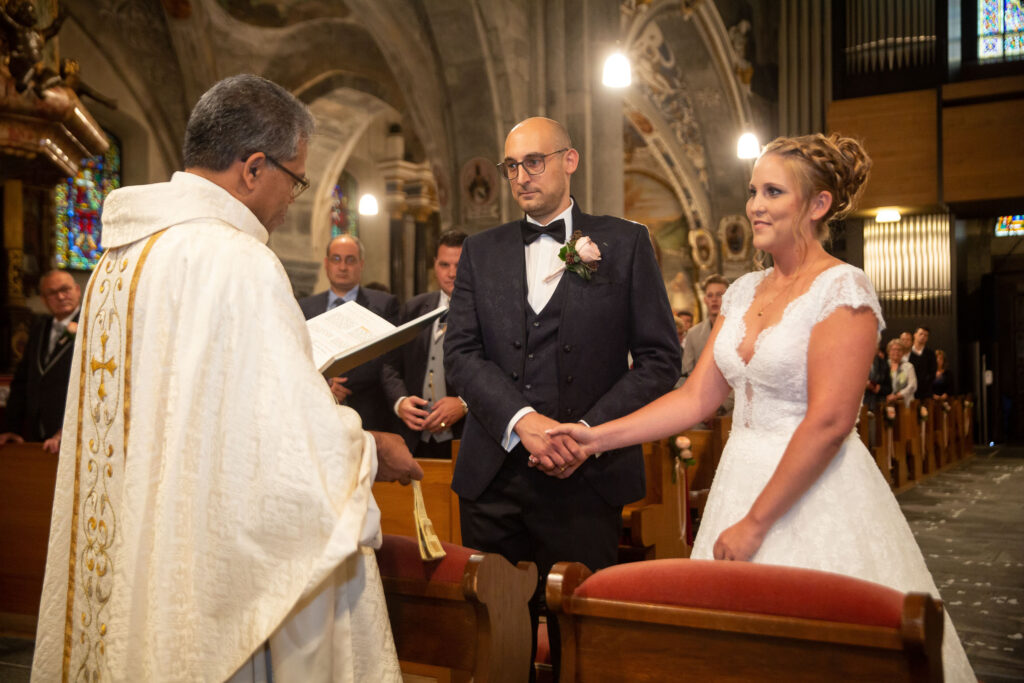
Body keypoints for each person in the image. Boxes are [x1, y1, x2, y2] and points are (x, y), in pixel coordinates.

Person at [31, 74, 422, 683]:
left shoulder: (116, 261)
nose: (295, 196)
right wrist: (370, 448)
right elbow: (283, 452)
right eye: (296, 177)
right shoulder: (238, 261)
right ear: (253, 167)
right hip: (199, 566)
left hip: (136, 549)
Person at [549, 133, 973, 681]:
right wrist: (594, 437)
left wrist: (756, 523)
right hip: (738, 479)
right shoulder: (744, 290)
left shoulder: (843, 289)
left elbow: (830, 421)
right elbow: (695, 397)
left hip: (812, 490)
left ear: (817, 205)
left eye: (773, 191)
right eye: (753, 191)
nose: (755, 205)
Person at [444, 116, 680, 665]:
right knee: (499, 641)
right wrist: (521, 420)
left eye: (535, 161)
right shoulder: (482, 250)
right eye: (511, 166)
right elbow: (461, 355)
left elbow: (659, 359)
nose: (522, 176)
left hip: (585, 479)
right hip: (494, 480)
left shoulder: (624, 242)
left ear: (569, 161)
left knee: (580, 638)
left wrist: (588, 435)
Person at [299, 234, 405, 433]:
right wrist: (326, 383)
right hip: (318, 412)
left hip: (369, 411)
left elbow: (388, 360)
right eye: (336, 259)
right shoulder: (305, 307)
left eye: (350, 260)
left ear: (361, 264)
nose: (342, 267)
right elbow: (299, 354)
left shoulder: (383, 304)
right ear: (326, 263)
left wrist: (344, 383)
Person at [385, 229, 469, 458]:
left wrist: (464, 404)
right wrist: (400, 402)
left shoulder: (487, 311)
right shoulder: (414, 308)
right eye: (444, 265)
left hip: (464, 438)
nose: (452, 273)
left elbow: (502, 371)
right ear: (434, 265)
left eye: (459, 265)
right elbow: (390, 365)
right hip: (414, 438)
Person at [0, 270, 80, 454]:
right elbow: (22, 382)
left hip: (68, 435)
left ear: (77, 290)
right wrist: (11, 428)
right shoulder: (38, 328)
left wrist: (70, 430)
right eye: (52, 293)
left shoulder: (93, 325)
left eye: (65, 289)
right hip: (36, 432)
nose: (60, 296)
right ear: (44, 299)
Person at [680, 274, 728, 380]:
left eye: (719, 295)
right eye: (710, 295)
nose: (714, 299)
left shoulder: (740, 330)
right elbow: (687, 371)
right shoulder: (693, 334)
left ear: (728, 297)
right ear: (705, 300)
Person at [886, 338, 917, 407]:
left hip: (905, 404)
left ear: (903, 352)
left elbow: (912, 386)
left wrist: (897, 396)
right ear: (889, 351)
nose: (896, 352)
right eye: (893, 349)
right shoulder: (884, 366)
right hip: (887, 403)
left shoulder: (909, 366)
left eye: (899, 350)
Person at [908, 326, 937, 399]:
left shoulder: (930, 353)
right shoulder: (908, 352)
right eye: (921, 334)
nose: (923, 336)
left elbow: (932, 372)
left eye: (926, 335)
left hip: (926, 392)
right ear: (915, 335)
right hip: (909, 391)